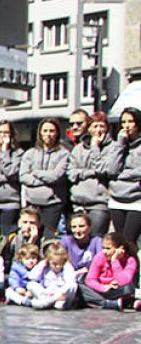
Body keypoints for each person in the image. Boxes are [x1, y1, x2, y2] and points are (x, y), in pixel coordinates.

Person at [20, 118, 70, 234]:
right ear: (40, 133)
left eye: (52, 131)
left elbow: (56, 176)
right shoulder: (30, 153)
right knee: (31, 235)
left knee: (48, 236)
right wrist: (46, 179)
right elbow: (23, 176)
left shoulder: (64, 154)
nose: (48, 134)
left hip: (52, 203)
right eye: (45, 131)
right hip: (32, 202)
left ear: (57, 133)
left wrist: (36, 172)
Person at [67, 112, 113, 236]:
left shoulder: (112, 148)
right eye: (95, 126)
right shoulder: (78, 148)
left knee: (95, 239)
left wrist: (95, 147)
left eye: (101, 126)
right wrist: (91, 172)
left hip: (98, 204)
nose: (98, 130)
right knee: (78, 240)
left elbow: (102, 170)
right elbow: (71, 174)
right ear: (89, 128)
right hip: (78, 203)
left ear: (107, 128)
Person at [106, 107, 141, 246]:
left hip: (136, 199)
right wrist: (121, 143)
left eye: (130, 121)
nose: (126, 126)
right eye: (123, 122)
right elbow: (111, 170)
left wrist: (121, 175)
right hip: (117, 198)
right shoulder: (117, 144)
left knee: (129, 241)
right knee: (119, 242)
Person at [78, 231, 139, 311]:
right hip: (100, 291)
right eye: (103, 248)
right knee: (80, 287)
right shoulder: (100, 256)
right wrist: (103, 287)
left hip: (117, 291)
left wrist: (114, 261)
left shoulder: (130, 260)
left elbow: (124, 282)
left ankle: (116, 303)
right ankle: (110, 304)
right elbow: (90, 279)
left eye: (108, 248)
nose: (104, 251)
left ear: (120, 249)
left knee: (129, 289)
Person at [24, 242, 77, 311]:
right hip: (47, 294)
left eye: (60, 263)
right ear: (48, 261)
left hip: (61, 296)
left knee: (73, 285)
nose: (58, 266)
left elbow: (70, 282)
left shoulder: (67, 267)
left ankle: (47, 303)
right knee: (31, 284)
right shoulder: (45, 267)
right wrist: (43, 263)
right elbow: (32, 276)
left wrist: (57, 295)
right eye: (54, 263)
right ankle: (48, 301)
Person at [60, 212, 102, 278]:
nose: (77, 231)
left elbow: (101, 261)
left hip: (92, 275)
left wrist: (88, 269)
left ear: (90, 228)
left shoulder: (97, 241)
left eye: (81, 226)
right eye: (74, 227)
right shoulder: (66, 241)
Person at [4, 243, 42, 308]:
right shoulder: (17, 268)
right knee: (8, 291)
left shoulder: (39, 268)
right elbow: (13, 279)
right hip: (20, 289)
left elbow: (41, 281)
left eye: (33, 258)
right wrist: (16, 288)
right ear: (21, 259)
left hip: (32, 292)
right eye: (27, 259)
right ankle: (23, 301)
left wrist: (31, 292)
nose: (31, 261)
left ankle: (35, 301)